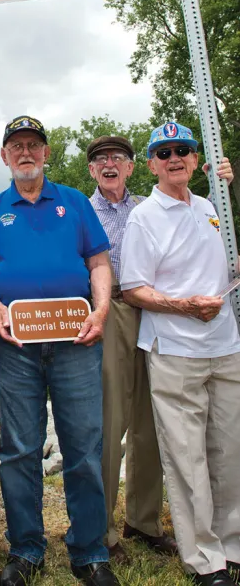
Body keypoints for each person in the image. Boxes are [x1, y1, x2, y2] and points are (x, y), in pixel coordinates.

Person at [0, 115, 118, 586]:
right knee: (19, 449)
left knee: (84, 448)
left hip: (76, 341)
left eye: (33, 145)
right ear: (5, 156)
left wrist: (102, 310)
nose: (25, 152)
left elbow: (99, 261)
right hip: (17, 346)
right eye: (17, 146)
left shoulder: (73, 203)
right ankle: (26, 549)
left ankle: (90, 552)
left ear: (46, 153)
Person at [87, 134, 234, 563]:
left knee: (153, 424)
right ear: (92, 170)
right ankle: (102, 531)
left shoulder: (150, 206)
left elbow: (205, 232)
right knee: (111, 421)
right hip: (111, 309)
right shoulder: (82, 210)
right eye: (100, 160)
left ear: (134, 167)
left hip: (156, 317)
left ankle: (144, 520)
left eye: (118, 157)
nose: (109, 164)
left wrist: (220, 183)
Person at [121, 122, 240, 586]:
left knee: (228, 452)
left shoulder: (212, 207)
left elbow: (223, 261)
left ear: (195, 159)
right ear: (151, 163)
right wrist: (184, 306)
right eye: (164, 152)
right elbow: (134, 289)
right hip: (175, 350)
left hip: (227, 345)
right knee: (187, 458)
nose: (175, 159)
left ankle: (232, 545)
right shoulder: (144, 217)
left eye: (184, 151)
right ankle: (204, 559)